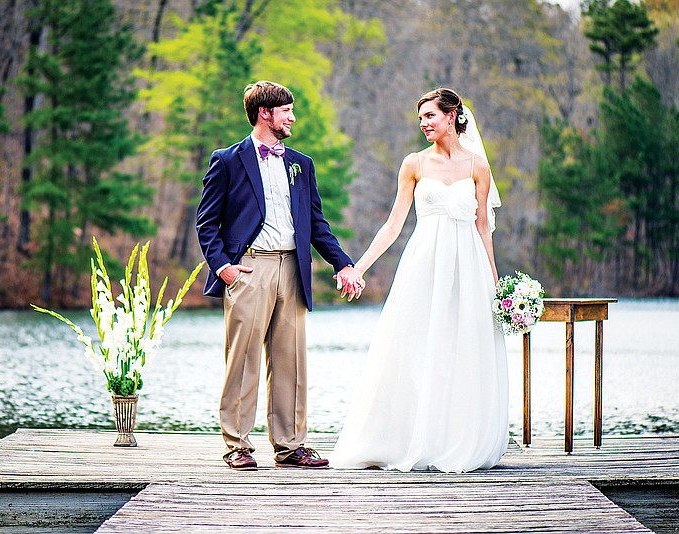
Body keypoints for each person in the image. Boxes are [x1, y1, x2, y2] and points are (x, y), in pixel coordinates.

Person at [330, 88, 509, 473]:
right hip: (424, 264)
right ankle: (411, 438)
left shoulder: (478, 166)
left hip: (469, 267)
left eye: (430, 115)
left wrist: (496, 283)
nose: (424, 123)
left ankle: (455, 439)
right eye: (421, 118)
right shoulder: (413, 164)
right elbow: (393, 225)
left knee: (462, 349)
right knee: (414, 345)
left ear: (452, 116)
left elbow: (483, 230)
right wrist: (358, 267)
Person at [196, 81, 357, 471]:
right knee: (244, 359)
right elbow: (206, 223)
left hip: (294, 268)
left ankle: (290, 446)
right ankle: (237, 445)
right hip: (250, 268)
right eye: (287, 111)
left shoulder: (302, 162)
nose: (292, 117)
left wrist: (343, 263)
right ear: (265, 114)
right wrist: (225, 268)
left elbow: (316, 222)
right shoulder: (228, 160)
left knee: (291, 361)